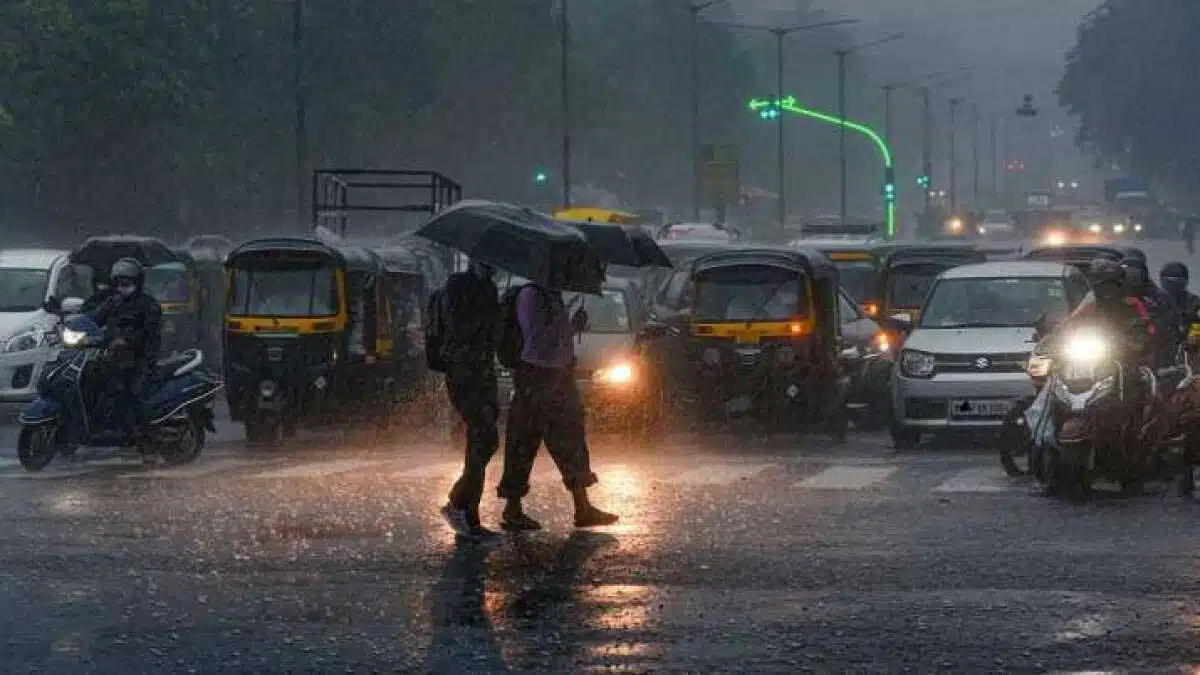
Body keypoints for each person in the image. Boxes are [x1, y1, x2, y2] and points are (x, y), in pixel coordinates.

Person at [497, 283, 619, 531]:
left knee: (570, 442)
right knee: (524, 442)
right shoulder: (531, 295)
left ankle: (582, 507)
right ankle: (513, 508)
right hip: (539, 375)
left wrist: (573, 327)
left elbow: (552, 338)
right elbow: (537, 339)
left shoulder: (552, 295)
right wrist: (564, 328)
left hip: (558, 375)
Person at [437, 261, 502, 539]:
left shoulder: (489, 288)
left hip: (484, 370)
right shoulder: (457, 285)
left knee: (487, 440)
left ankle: (459, 502)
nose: (492, 267)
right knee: (482, 435)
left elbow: (493, 336)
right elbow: (458, 327)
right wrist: (487, 316)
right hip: (463, 371)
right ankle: (466, 513)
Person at [88, 258, 162, 458]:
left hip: (140, 359)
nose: (124, 286)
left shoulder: (148, 305)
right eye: (120, 281)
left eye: (128, 282)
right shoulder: (113, 301)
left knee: (134, 395)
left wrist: (125, 340)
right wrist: (67, 319)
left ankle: (148, 444)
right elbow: (93, 317)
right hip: (113, 357)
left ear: (138, 282)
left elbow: (149, 333)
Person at [1122, 256, 1179, 366]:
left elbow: (1169, 323)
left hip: (1152, 346)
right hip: (1117, 345)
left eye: (1134, 274)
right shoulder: (1111, 294)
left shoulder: (1159, 297)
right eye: (1126, 274)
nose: (1131, 278)